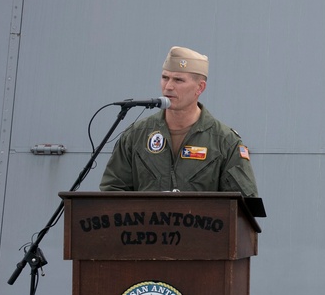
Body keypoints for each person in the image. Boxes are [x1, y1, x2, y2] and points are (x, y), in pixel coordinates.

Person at [100, 46, 258, 197]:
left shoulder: (224, 141)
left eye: (178, 80)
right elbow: (112, 191)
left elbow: (243, 205)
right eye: (165, 78)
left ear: (200, 88)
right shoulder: (137, 135)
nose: (168, 86)